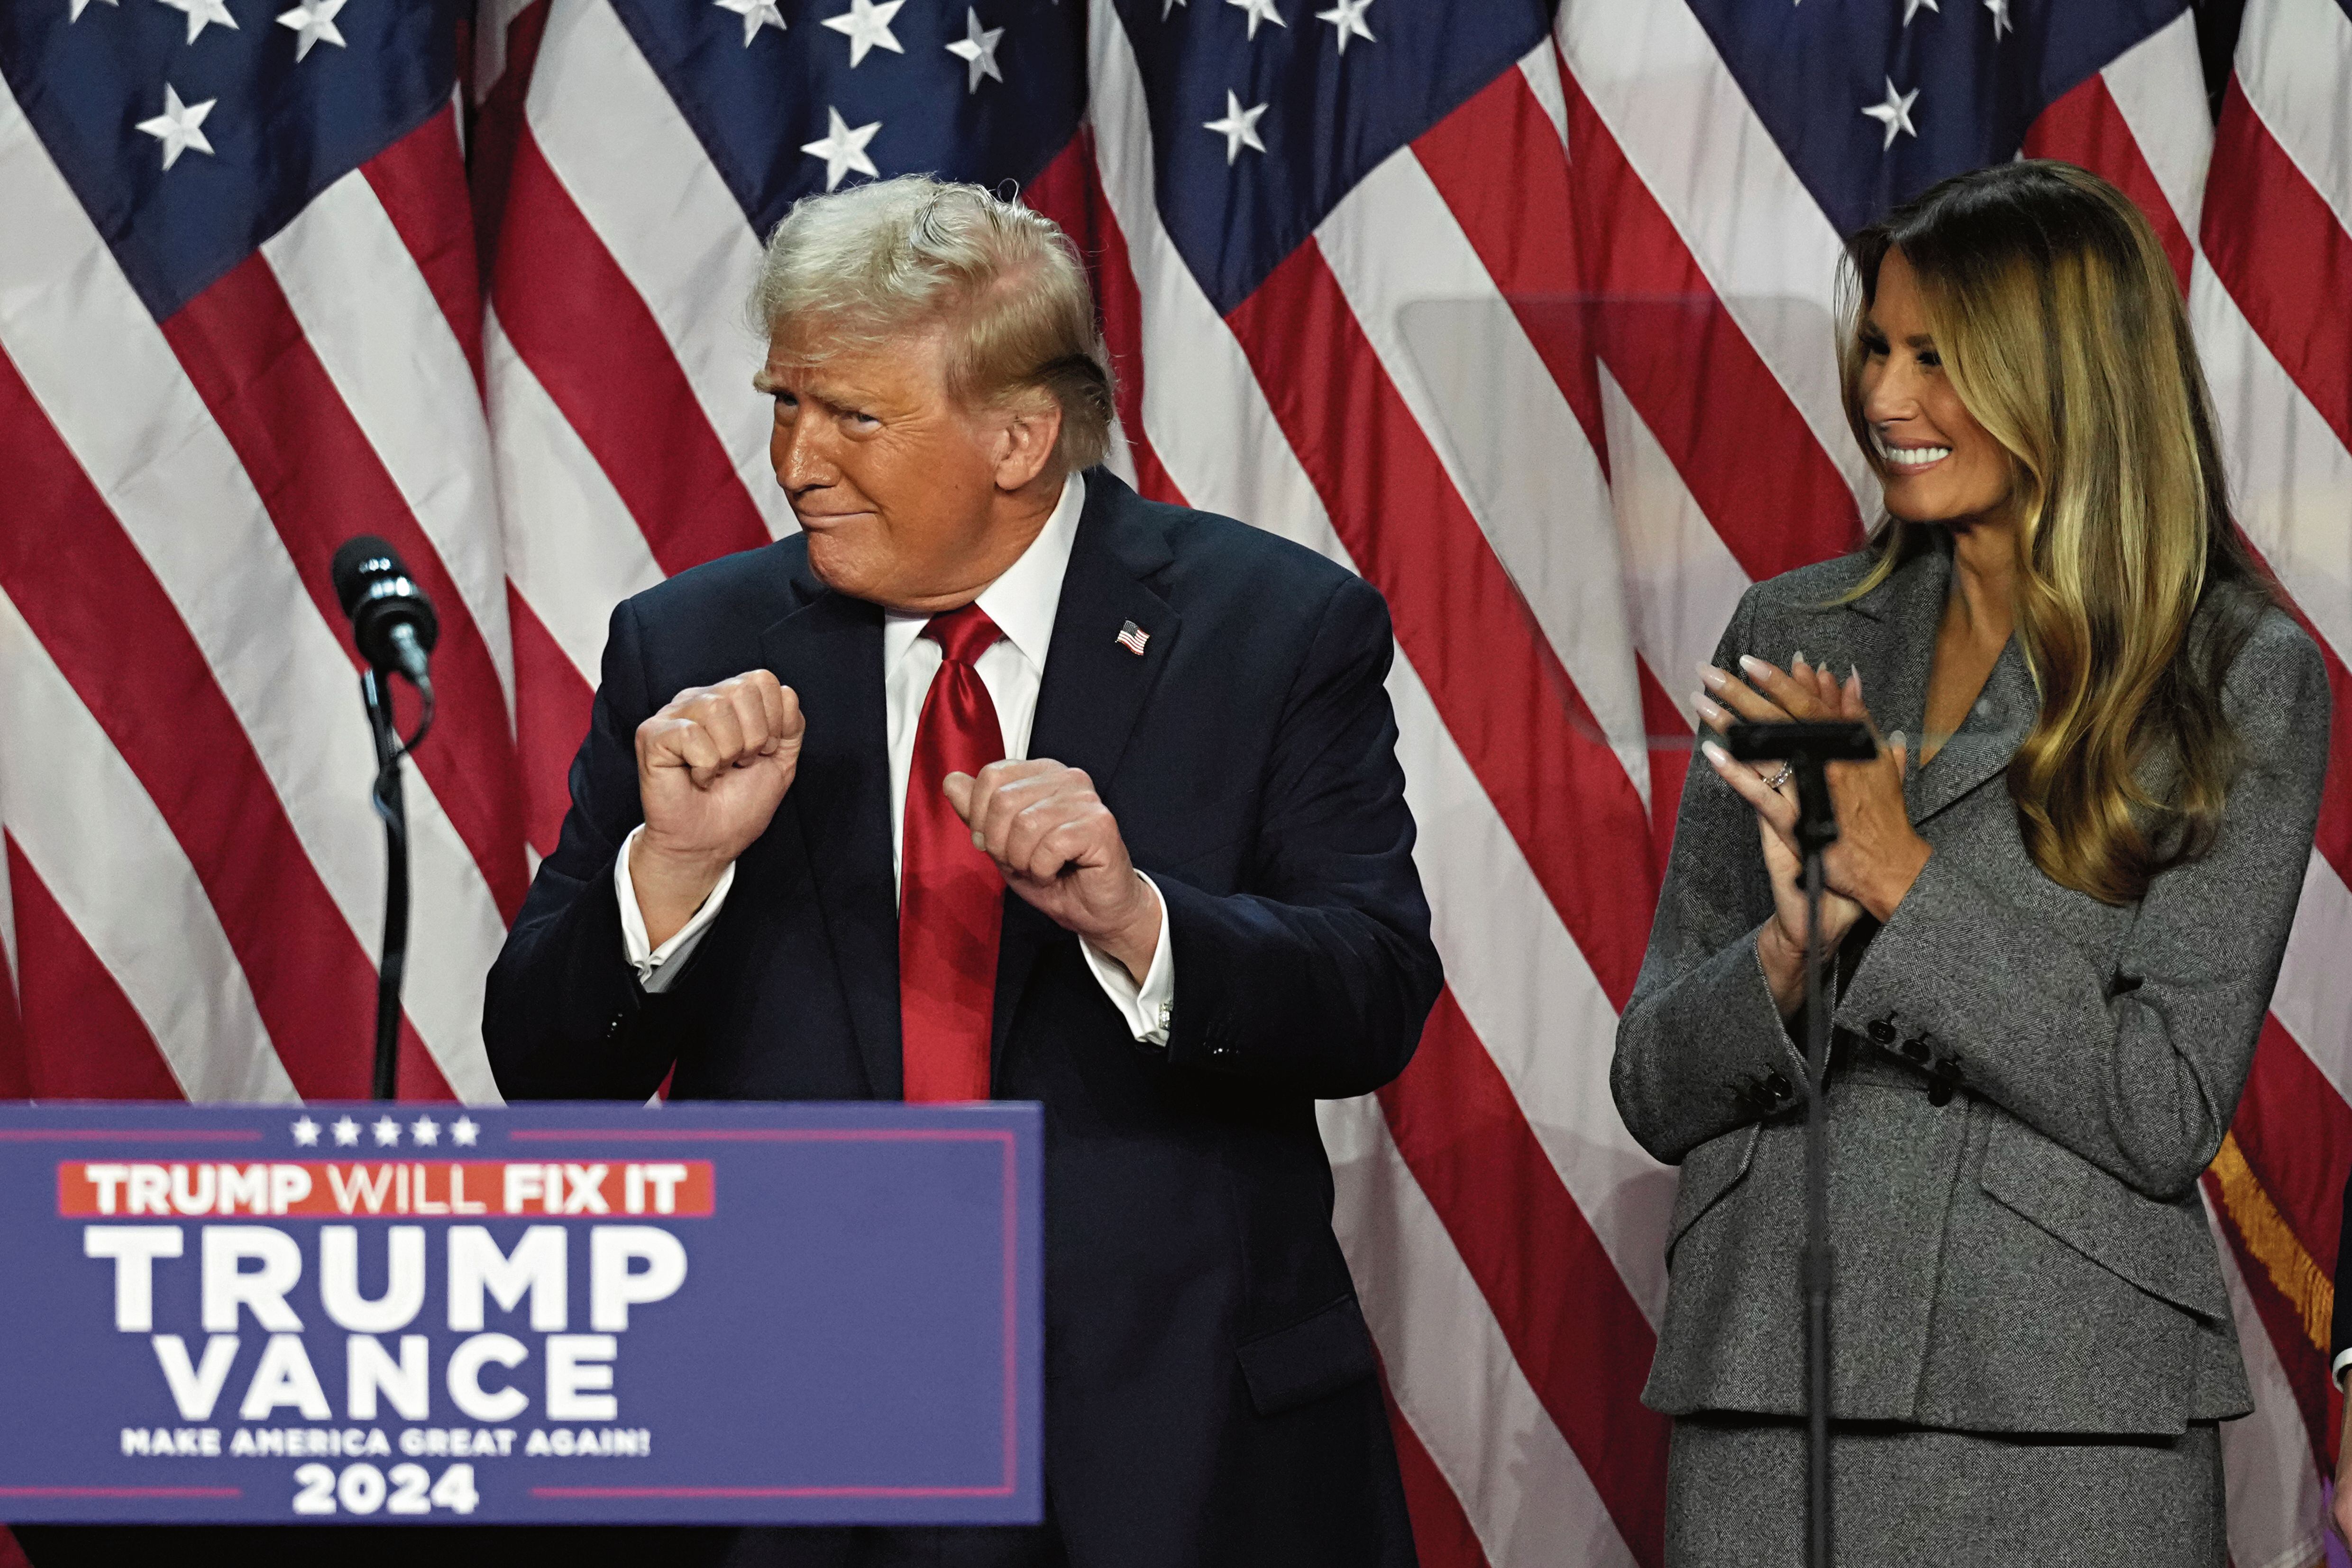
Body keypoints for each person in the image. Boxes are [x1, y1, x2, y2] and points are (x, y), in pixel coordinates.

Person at [481, 175, 1440, 1568]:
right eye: (785, 403)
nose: (797, 459)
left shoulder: (1274, 628)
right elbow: (547, 1061)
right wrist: (671, 870)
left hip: (1170, 1445)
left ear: (1019, 433)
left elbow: (1373, 992)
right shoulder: (689, 644)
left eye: (854, 415)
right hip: (799, 1449)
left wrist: (1137, 922)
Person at [1614, 159, 2330, 1566]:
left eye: (1935, 357)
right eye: (1877, 347)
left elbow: (2161, 1102)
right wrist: (1787, 943)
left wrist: (1899, 880)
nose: (1884, 398)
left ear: (2064, 371)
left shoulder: (2238, 673)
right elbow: (1653, 1075)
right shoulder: (1793, 624)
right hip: (1775, 1383)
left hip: (2063, 1407)